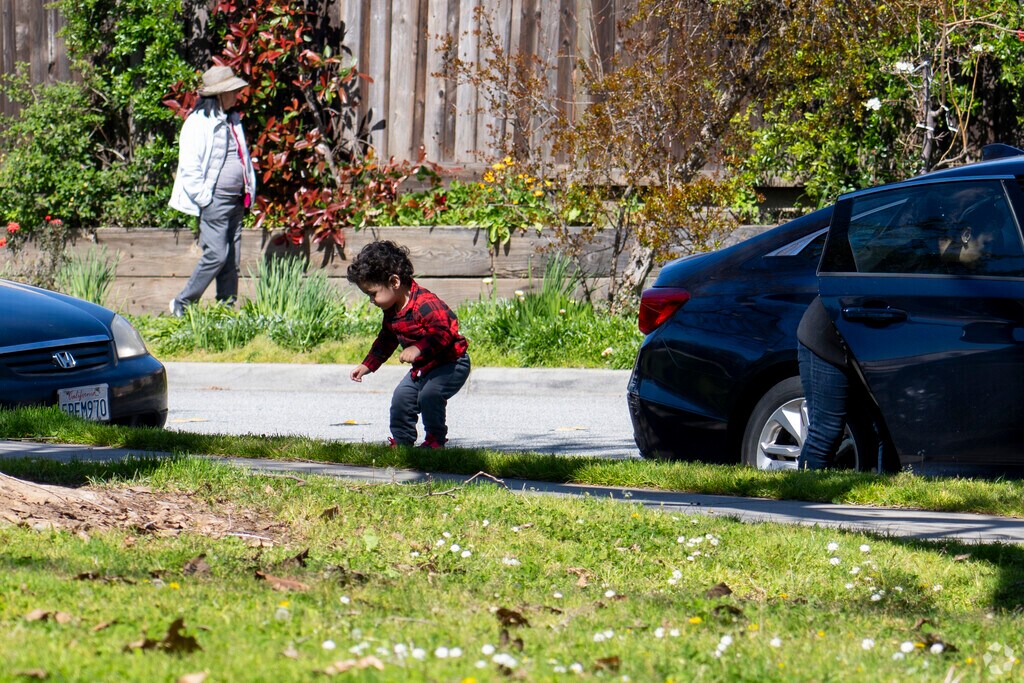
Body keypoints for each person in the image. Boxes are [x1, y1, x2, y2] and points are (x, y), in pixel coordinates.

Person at [347, 241, 471, 448]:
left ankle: (435, 441)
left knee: (430, 396)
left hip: (451, 363)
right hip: (424, 368)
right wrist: (367, 365)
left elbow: (445, 331)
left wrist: (419, 348)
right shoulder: (392, 310)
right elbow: (386, 339)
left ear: (394, 282)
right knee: (402, 397)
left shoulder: (425, 303)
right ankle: (403, 442)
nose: (371, 300)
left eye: (373, 293)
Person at [168, 65, 257, 317]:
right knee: (216, 256)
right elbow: (189, 166)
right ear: (219, 94)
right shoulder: (198, 123)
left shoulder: (232, 120)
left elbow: (242, 158)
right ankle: (182, 303)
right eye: (232, 91)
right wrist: (205, 199)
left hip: (237, 200)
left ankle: (225, 311)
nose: (237, 96)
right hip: (214, 201)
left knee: (231, 260)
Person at [796, 296, 850, 469]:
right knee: (826, 431)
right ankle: (807, 491)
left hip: (866, 349)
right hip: (826, 341)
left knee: (885, 431)